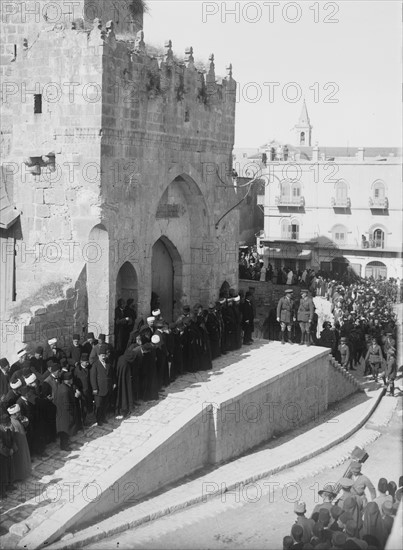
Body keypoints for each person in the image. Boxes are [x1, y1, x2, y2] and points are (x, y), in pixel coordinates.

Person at [90, 344, 116, 426]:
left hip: (107, 388)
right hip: (99, 389)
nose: (103, 357)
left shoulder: (108, 363)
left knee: (105, 404)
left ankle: (103, 417)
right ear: (98, 356)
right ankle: (98, 419)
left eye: (104, 355)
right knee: (99, 405)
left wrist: (114, 383)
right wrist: (95, 388)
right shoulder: (95, 365)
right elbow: (92, 378)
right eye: (102, 356)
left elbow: (112, 374)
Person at [54, 371, 79, 451]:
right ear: (68, 380)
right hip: (66, 414)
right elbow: (67, 405)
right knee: (65, 430)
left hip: (61, 413)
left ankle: (65, 443)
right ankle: (64, 446)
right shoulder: (65, 391)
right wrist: (75, 397)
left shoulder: (61, 386)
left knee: (64, 429)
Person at [7, 403, 31, 481]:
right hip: (17, 446)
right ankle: (19, 476)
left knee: (24, 458)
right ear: (14, 414)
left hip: (23, 443)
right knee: (19, 461)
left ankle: (25, 473)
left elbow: (26, 424)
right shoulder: (11, 422)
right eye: (18, 412)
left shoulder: (18, 419)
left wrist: (24, 420)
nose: (20, 413)